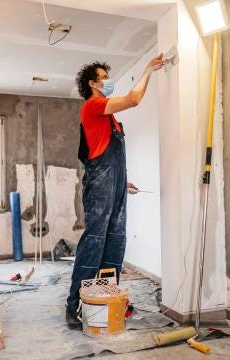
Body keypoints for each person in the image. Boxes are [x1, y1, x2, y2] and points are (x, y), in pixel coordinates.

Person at [66, 54, 165, 330]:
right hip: (99, 186)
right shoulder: (93, 106)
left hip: (114, 184)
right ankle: (73, 304)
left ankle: (105, 299)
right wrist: (148, 70)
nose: (108, 81)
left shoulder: (111, 120)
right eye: (105, 78)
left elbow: (111, 157)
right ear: (92, 83)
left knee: (114, 242)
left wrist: (123, 181)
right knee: (95, 242)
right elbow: (134, 99)